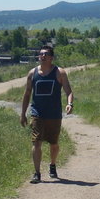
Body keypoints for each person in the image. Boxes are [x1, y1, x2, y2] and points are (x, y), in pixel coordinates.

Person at [20, 45, 74, 184]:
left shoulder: (59, 72)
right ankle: (37, 173)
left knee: (53, 144)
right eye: (40, 54)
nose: (42, 56)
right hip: (37, 113)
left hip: (54, 113)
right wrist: (23, 114)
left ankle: (52, 164)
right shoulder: (32, 73)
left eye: (45, 54)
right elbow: (27, 94)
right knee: (36, 142)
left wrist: (69, 103)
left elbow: (68, 91)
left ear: (51, 57)